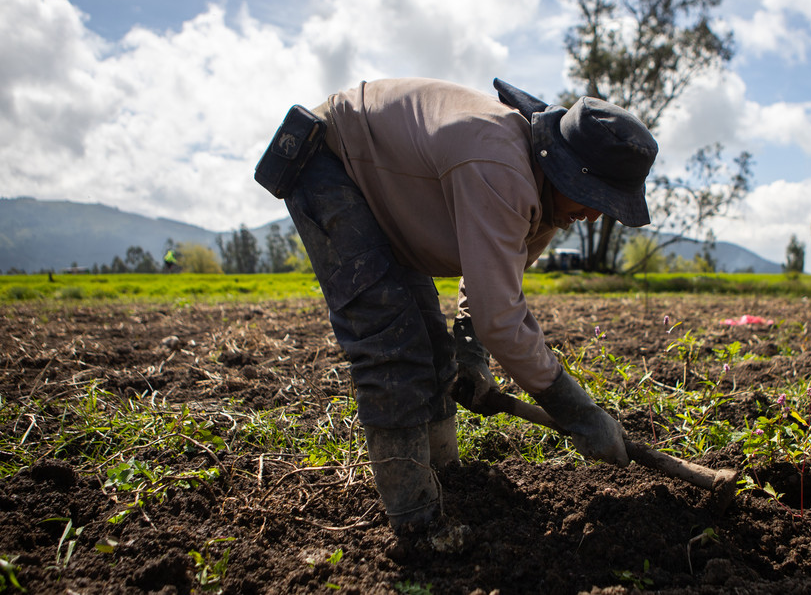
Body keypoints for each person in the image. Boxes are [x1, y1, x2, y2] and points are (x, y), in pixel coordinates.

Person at [254, 77, 658, 537]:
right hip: (332, 162)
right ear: (568, 170)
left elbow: (491, 284)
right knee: (393, 348)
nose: (593, 215)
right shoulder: (500, 165)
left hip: (386, 192)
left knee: (432, 347)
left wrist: (469, 354)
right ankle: (418, 528)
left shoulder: (547, 200)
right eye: (593, 199)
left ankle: (448, 479)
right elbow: (501, 319)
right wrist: (578, 411)